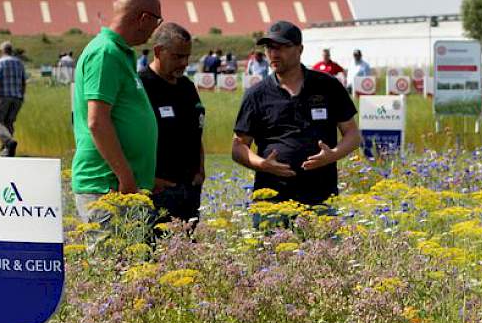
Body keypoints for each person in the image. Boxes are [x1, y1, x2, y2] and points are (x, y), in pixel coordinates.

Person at [232, 20, 361, 209]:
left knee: (322, 239)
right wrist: (262, 164)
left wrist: (332, 155)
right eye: (269, 48)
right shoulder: (256, 94)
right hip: (272, 201)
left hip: (320, 198)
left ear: (300, 50)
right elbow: (238, 147)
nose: (274, 54)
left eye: (282, 47)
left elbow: (353, 135)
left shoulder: (327, 86)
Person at [71, 0, 163, 226]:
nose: (155, 31)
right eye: (157, 22)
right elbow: (97, 121)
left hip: (123, 188)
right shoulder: (105, 53)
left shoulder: (121, 54)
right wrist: (126, 178)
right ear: (144, 19)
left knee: (132, 262)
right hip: (108, 187)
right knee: (114, 261)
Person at [140, 22, 206, 224]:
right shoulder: (141, 87)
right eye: (178, 56)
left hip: (190, 189)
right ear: (158, 51)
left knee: (186, 252)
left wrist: (200, 170)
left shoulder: (186, 87)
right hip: (158, 191)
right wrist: (146, 180)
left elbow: (196, 132)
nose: (184, 63)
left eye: (187, 56)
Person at [0, 41, 27, 157]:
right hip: (17, 98)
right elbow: (23, 82)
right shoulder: (19, 63)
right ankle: (6, 151)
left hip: (3, 96)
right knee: (9, 123)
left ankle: (9, 142)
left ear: (1, 51)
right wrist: (22, 95)